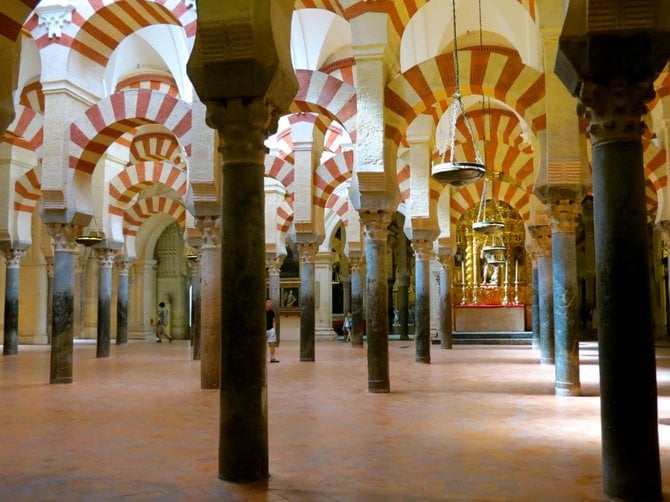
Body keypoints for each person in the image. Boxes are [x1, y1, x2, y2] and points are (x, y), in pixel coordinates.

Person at [266, 298, 278, 362]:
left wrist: (274, 329)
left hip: (271, 330)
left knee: (273, 344)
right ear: (265, 303)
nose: (270, 303)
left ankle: (272, 358)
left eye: (270, 302)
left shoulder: (272, 312)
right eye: (268, 302)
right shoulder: (261, 312)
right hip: (263, 330)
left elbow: (273, 321)